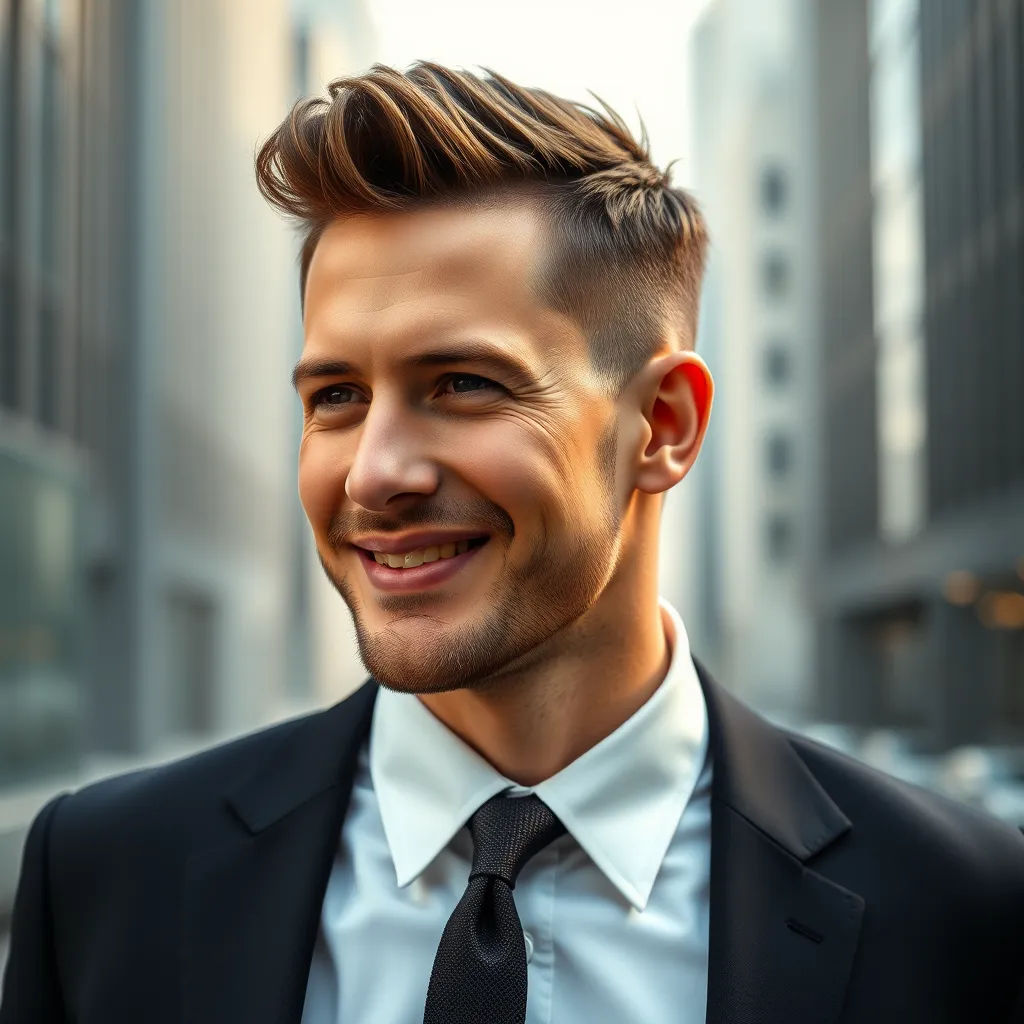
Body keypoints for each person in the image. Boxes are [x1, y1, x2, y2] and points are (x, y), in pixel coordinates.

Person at [3, 61, 1024, 1024]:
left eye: (462, 384)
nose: (371, 472)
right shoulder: (105, 873)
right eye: (337, 396)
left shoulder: (962, 910)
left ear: (662, 425)